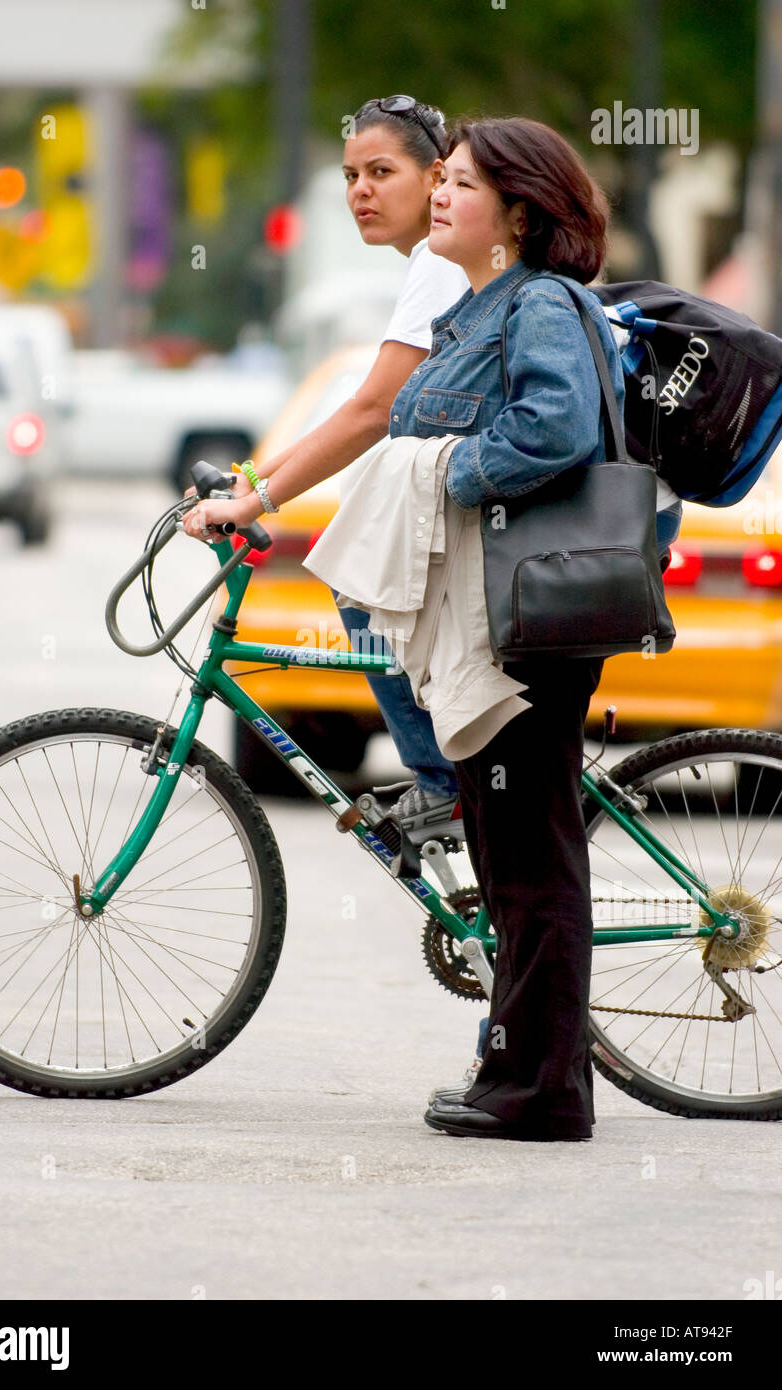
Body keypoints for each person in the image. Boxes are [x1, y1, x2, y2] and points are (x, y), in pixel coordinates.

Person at [185, 116, 683, 1139]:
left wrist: (444, 477)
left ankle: (542, 1090)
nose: (438, 197)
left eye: (458, 184)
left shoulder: (536, 302)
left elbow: (553, 429)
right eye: (441, 180)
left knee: (531, 856)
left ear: (516, 212)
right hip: (500, 613)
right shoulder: (478, 309)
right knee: (510, 852)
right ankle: (521, 1071)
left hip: (527, 617)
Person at [190, 95, 470, 834]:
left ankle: (445, 782)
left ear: (437, 175)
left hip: (533, 509)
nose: (360, 192)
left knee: (364, 581)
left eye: (381, 171)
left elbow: (373, 409)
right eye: (350, 175)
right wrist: (254, 482)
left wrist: (254, 501)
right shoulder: (439, 262)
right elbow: (372, 413)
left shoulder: (444, 261)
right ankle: (462, 785)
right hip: (524, 505)